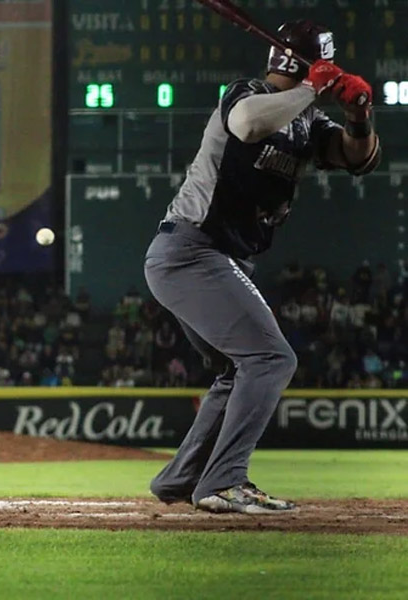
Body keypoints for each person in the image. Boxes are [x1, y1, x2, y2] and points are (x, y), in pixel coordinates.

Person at [143, 20, 380, 514]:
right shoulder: (246, 93)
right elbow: (248, 124)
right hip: (191, 250)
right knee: (272, 359)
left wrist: (359, 115)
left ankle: (180, 479)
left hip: (210, 257)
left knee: (239, 368)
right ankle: (224, 481)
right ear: (309, 63)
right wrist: (315, 86)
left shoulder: (307, 120)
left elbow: (358, 159)